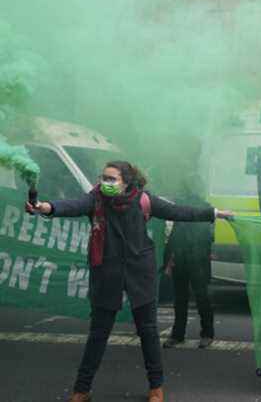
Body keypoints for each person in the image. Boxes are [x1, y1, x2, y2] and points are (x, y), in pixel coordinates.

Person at [26, 161, 233, 402]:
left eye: (111, 179)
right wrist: (45, 207)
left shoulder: (144, 200)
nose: (105, 182)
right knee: (98, 334)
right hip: (107, 272)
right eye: (103, 177)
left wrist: (215, 213)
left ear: (126, 182)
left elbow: (179, 212)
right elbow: (71, 205)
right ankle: (81, 390)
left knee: (148, 332)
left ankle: (156, 389)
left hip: (139, 272)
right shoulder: (95, 199)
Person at [162, 184, 216, 350]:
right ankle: (197, 334)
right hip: (184, 257)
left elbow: (207, 237)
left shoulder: (202, 209)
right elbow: (175, 234)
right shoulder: (194, 208)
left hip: (195, 258)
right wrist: (168, 259)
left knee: (194, 298)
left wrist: (167, 259)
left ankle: (199, 334)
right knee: (187, 298)